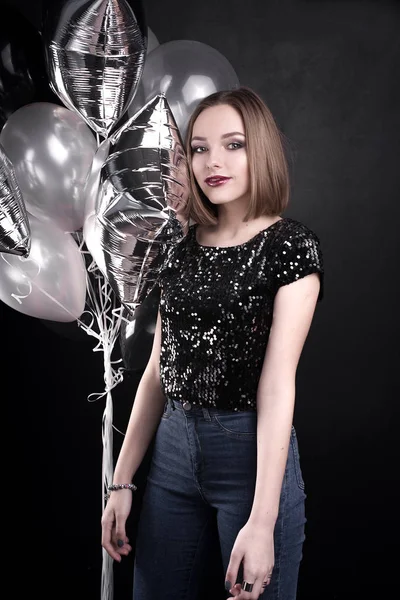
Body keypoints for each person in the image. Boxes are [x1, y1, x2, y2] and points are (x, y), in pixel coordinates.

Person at [101, 87, 324, 600]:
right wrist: (121, 481)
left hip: (249, 456)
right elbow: (159, 370)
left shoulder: (289, 246)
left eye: (233, 144)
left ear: (260, 150)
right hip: (174, 453)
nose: (212, 162)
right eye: (199, 148)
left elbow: (276, 385)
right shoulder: (178, 247)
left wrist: (263, 521)